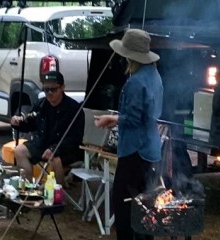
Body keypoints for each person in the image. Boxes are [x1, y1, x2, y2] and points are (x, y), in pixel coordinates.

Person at [94, 28, 163, 240]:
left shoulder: (136, 82)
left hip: (135, 151)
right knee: (145, 206)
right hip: (151, 150)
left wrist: (112, 119)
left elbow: (133, 119)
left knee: (123, 205)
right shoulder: (155, 76)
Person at [11, 71, 85, 186]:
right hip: (44, 144)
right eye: (46, 89)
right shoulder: (41, 104)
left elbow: (75, 139)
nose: (49, 93)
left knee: (55, 159)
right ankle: (28, 188)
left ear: (62, 88)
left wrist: (55, 149)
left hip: (66, 149)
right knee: (19, 151)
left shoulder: (74, 109)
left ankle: (59, 195)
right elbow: (30, 124)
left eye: (53, 89)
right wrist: (17, 122)